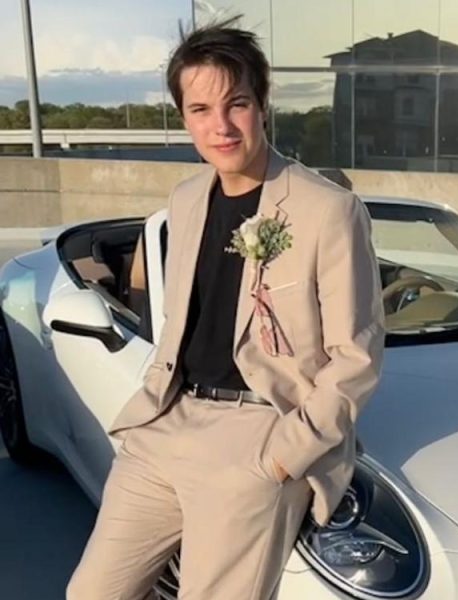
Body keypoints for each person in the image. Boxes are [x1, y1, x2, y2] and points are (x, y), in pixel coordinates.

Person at [67, 18, 385, 600]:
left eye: (236, 103)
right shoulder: (185, 199)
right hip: (166, 423)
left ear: (262, 105)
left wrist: (284, 458)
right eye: (200, 109)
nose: (220, 126)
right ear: (183, 116)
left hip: (257, 434)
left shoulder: (326, 209)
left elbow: (355, 355)